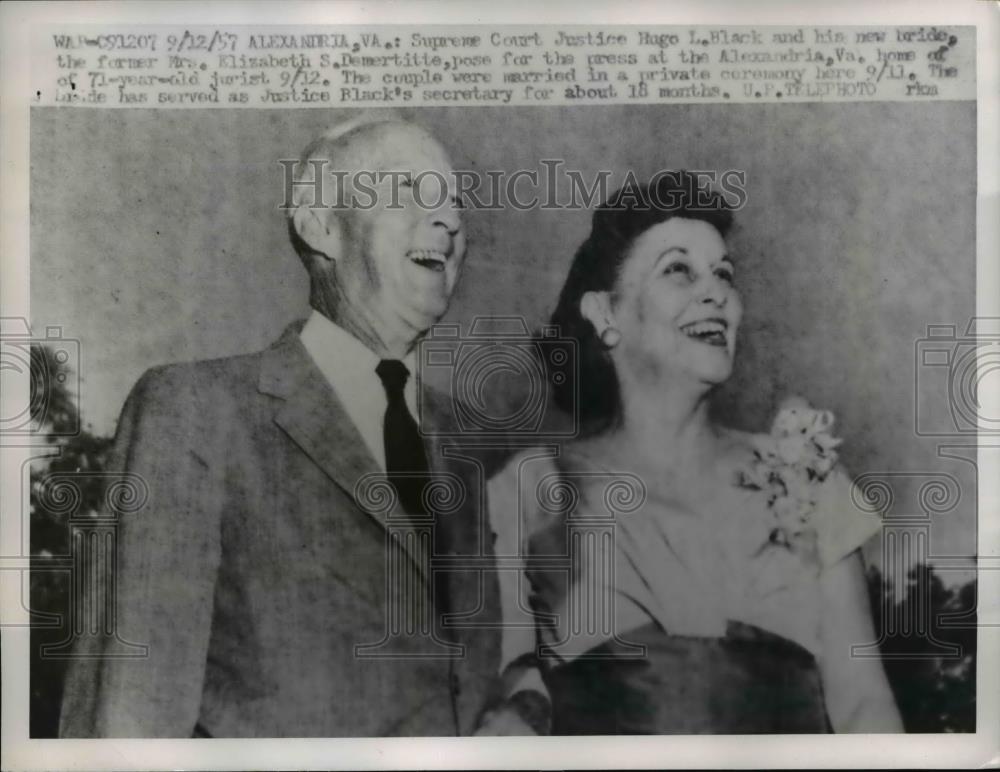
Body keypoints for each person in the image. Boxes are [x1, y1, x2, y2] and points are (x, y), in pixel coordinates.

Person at [59, 117, 515, 737]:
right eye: (410, 192)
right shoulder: (196, 412)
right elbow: (131, 712)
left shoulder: (464, 443)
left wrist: (524, 712)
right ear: (320, 225)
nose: (451, 222)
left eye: (454, 202)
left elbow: (493, 667)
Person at [488, 173, 903, 734]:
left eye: (724, 274)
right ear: (606, 314)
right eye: (679, 269)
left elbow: (864, 710)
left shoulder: (808, 478)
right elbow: (509, 687)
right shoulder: (532, 485)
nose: (716, 293)